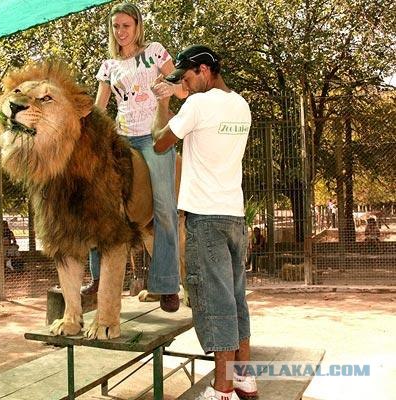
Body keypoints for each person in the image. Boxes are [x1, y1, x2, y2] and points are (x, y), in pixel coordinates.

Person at [152, 45, 257, 400]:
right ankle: (244, 377)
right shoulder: (241, 105)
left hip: (206, 220)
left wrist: (164, 103)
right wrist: (181, 92)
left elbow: (160, 143)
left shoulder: (197, 105)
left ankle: (222, 389)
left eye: (186, 76)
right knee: (236, 300)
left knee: (215, 303)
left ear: (204, 70)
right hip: (234, 217)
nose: (185, 82)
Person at [83, 2, 187, 313]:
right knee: (98, 203)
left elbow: (183, 90)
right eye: (116, 26)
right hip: (121, 139)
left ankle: (168, 285)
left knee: (166, 209)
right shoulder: (108, 66)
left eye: (126, 25)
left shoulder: (155, 51)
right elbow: (100, 109)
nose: (121, 31)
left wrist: (169, 88)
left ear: (137, 26)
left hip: (154, 138)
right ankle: (98, 279)